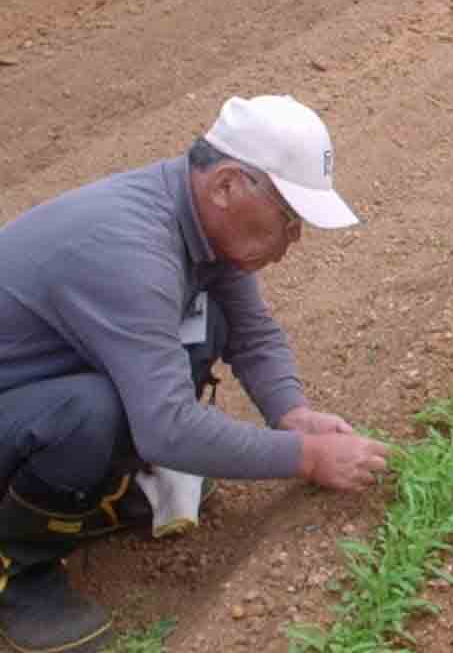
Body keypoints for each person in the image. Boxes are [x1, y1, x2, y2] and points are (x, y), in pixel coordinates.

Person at [0, 95, 392, 652]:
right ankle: (19, 571)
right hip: (21, 403)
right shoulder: (130, 249)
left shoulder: (202, 229)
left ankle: (104, 486)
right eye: (288, 218)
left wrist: (292, 414)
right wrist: (306, 457)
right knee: (90, 413)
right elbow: (167, 427)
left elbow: (252, 332)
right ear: (229, 184)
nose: (292, 241)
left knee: (202, 327)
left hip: (25, 399)